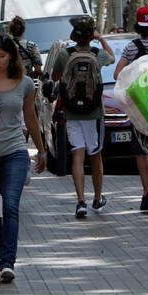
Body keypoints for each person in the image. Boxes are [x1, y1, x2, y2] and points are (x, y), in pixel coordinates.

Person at [0, 33, 46, 280]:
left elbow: (30, 118)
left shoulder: (24, 83)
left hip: (15, 152)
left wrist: (41, 151)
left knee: (9, 204)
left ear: (11, 57)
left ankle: (6, 262)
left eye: (1, 56)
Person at [50, 15, 115, 218]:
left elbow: (55, 77)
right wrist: (101, 39)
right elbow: (112, 57)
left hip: (71, 112)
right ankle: (97, 197)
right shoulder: (98, 54)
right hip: (94, 113)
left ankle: (80, 201)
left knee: (77, 155)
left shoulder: (64, 54)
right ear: (90, 35)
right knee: (95, 155)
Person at [113, 5, 148, 214]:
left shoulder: (131, 47)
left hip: (137, 108)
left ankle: (145, 193)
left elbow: (117, 74)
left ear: (137, 26)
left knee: (141, 152)